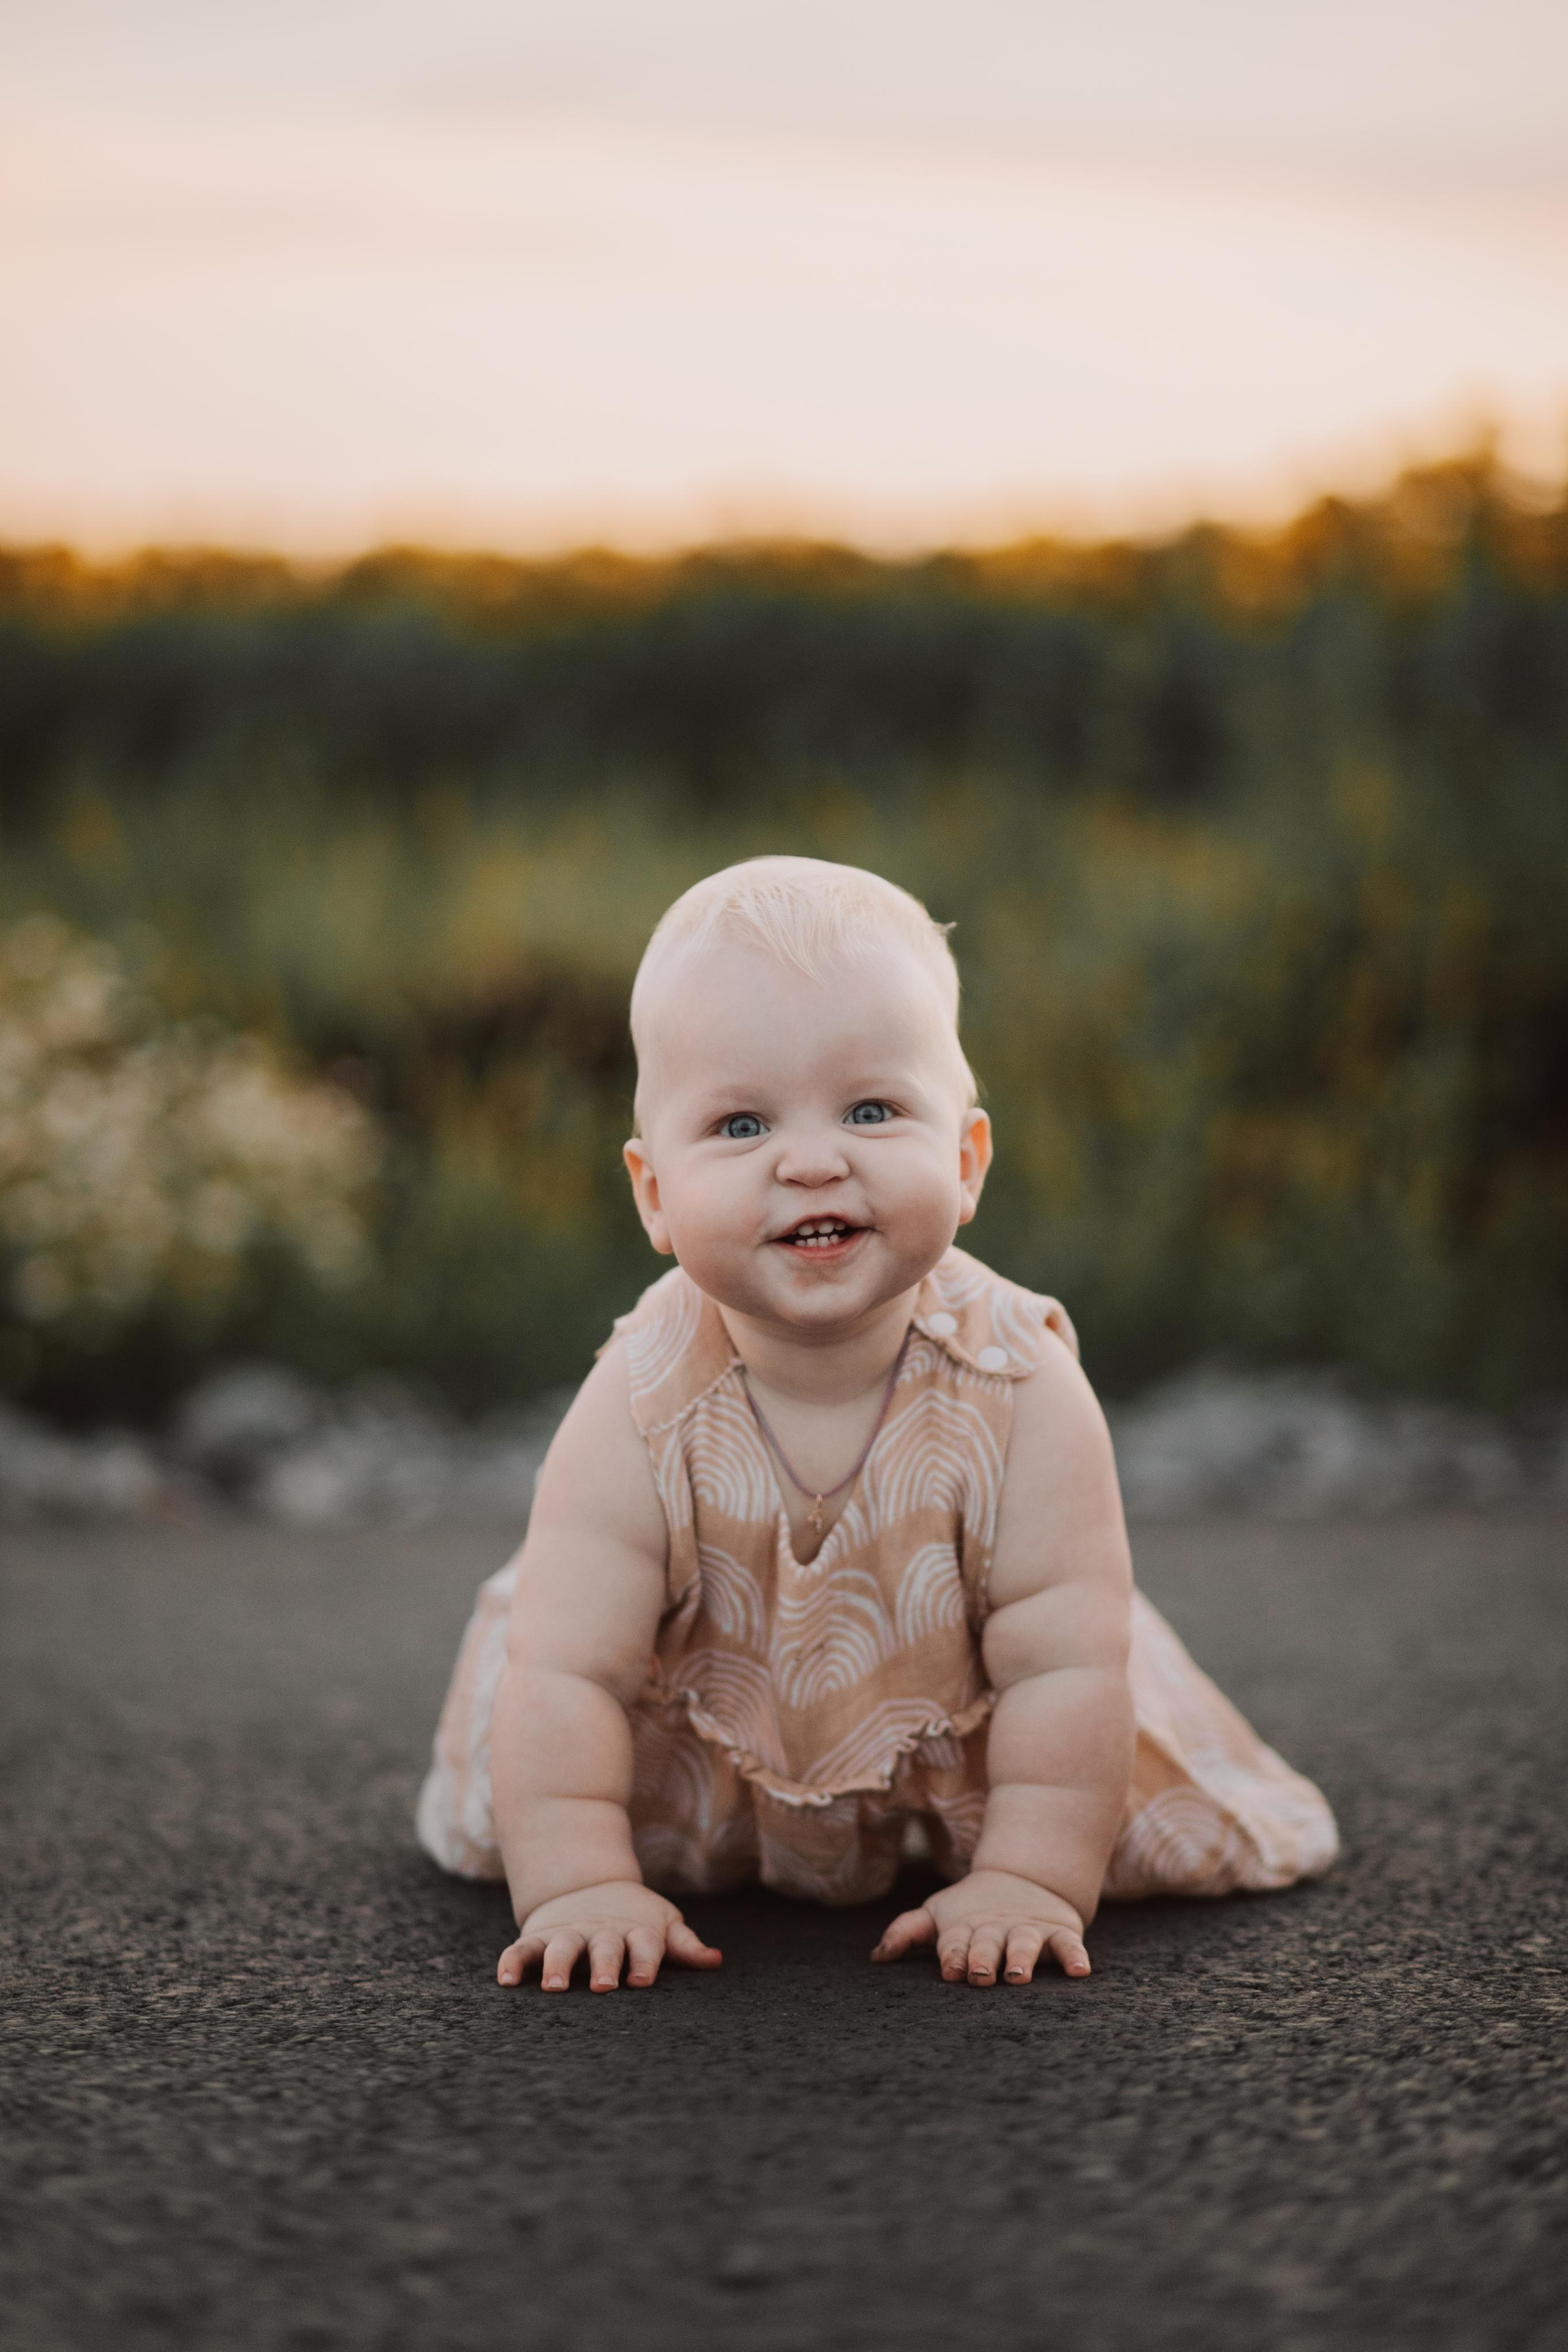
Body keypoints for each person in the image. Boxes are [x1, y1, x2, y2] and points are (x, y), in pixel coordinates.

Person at [417, 856, 1337, 1993]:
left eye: (870, 1109)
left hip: (970, 1726)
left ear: (965, 1160)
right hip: (697, 1747)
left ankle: (990, 1856)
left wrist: (1035, 1879)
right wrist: (578, 1884)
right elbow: (568, 1672)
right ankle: (636, 1854)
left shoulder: (1019, 1382)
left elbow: (1065, 1665)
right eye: (743, 1123)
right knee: (553, 1721)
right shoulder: (642, 1397)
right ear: (655, 1196)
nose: (812, 1160)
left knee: (1084, 1720)